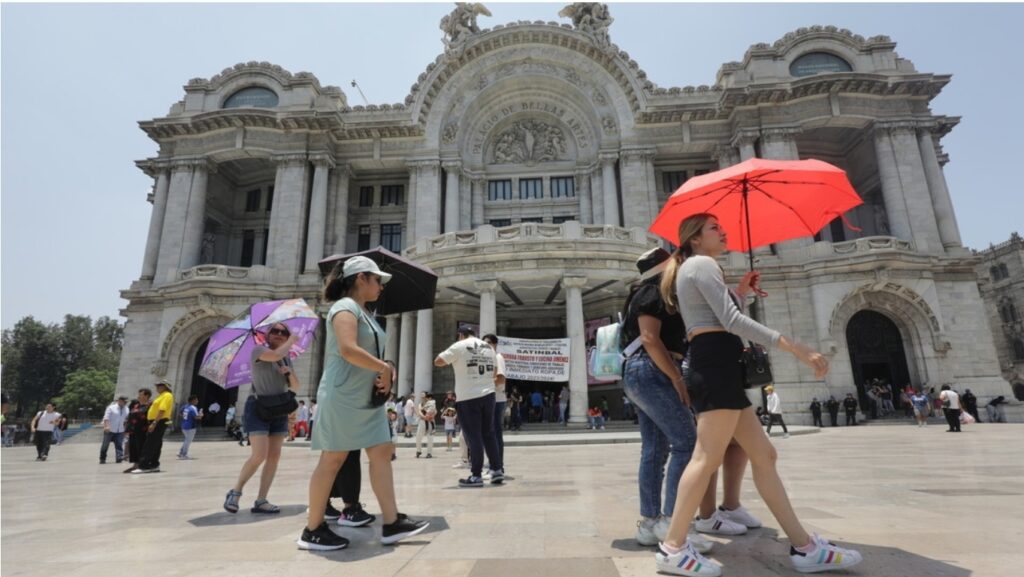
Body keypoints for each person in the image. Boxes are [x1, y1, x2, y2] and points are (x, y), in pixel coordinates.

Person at [655, 213, 861, 576]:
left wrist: (740, 292)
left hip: (718, 363)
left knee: (764, 454)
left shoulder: (696, 266)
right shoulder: (701, 264)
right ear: (695, 238)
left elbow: (718, 315)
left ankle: (804, 547)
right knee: (705, 458)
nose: (723, 232)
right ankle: (673, 547)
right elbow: (730, 322)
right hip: (715, 364)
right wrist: (795, 347)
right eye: (714, 228)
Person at [301, 256, 428, 550]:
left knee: (382, 451)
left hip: (365, 396)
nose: (381, 286)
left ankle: (392, 521)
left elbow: (369, 354)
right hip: (343, 395)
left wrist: (386, 368)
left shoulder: (364, 312)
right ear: (361, 278)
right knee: (332, 460)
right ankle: (313, 528)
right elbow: (348, 349)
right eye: (377, 280)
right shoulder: (344, 308)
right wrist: (382, 367)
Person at [224, 323, 300, 513]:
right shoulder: (258, 351)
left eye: (284, 332)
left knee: (274, 456)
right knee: (259, 455)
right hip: (259, 407)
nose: (280, 334)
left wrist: (289, 373)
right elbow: (274, 355)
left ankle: (261, 499)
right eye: (275, 331)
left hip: (279, 407)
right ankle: (236, 491)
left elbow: (296, 386)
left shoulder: (286, 359)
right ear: (267, 335)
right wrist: (292, 340)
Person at [435, 325, 504, 487]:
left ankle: (476, 475)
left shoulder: (459, 345)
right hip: (489, 395)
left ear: (461, 335)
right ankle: (496, 469)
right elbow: (494, 373)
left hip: (468, 396)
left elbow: (438, 361)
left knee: (473, 436)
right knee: (489, 433)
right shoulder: (488, 347)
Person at [130, 380, 175, 473]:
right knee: (156, 444)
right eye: (157, 386)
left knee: (149, 444)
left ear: (165, 387)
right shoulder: (161, 395)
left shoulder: (167, 395)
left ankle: (144, 466)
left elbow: (162, 410)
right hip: (157, 421)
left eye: (159, 386)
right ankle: (154, 465)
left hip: (159, 421)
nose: (157, 388)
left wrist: (154, 423)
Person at [482, 334, 508, 472]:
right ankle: (494, 464)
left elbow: (501, 380)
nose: (485, 345)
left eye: (488, 343)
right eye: (483, 343)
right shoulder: (489, 359)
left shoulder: (497, 357)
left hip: (497, 401)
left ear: (495, 344)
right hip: (490, 399)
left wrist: (482, 383)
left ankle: (498, 466)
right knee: (489, 433)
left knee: (495, 434)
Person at [124, 392, 151, 472]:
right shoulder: (136, 405)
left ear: (146, 396)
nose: (138, 396)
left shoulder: (150, 405)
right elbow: (130, 417)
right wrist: (127, 428)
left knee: (141, 447)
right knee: (133, 448)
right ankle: (135, 465)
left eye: (140, 394)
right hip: (133, 430)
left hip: (142, 430)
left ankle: (141, 465)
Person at [100, 396, 129, 464]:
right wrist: (107, 426)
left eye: (126, 402)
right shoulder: (111, 407)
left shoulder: (126, 409)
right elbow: (106, 417)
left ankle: (119, 458)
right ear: (119, 401)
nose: (125, 403)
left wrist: (126, 430)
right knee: (105, 445)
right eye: (124, 401)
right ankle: (102, 458)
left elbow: (126, 420)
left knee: (119, 445)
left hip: (120, 430)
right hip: (110, 430)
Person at [178, 395, 202, 459]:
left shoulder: (185, 406)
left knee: (187, 440)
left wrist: (186, 418)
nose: (197, 401)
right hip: (190, 427)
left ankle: (181, 452)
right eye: (196, 400)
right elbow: (197, 417)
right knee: (188, 441)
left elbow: (180, 413)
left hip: (184, 425)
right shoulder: (193, 408)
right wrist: (201, 415)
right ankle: (184, 454)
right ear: (193, 400)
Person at [415, 392, 436, 459]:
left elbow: (435, 411)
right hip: (422, 421)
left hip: (430, 421)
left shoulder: (431, 403)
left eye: (423, 396)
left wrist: (432, 415)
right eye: (421, 396)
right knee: (418, 436)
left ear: (427, 397)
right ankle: (418, 450)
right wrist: (424, 417)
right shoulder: (420, 404)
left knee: (430, 438)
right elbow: (419, 412)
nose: (422, 397)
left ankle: (429, 453)